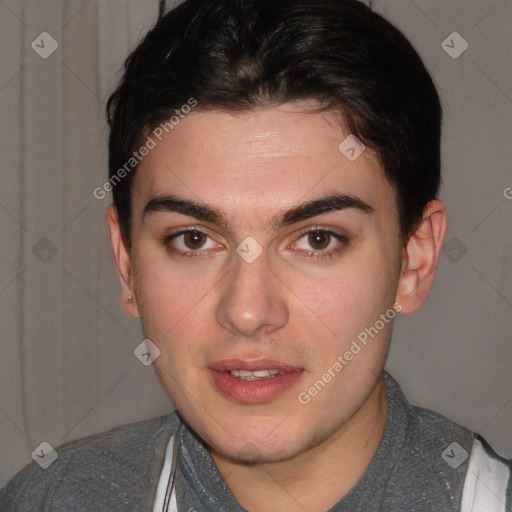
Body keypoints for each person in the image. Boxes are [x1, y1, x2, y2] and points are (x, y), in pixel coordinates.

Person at [1, 0, 510, 510]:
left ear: (415, 260)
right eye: (194, 239)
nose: (247, 312)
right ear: (127, 262)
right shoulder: (49, 500)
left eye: (317, 239)